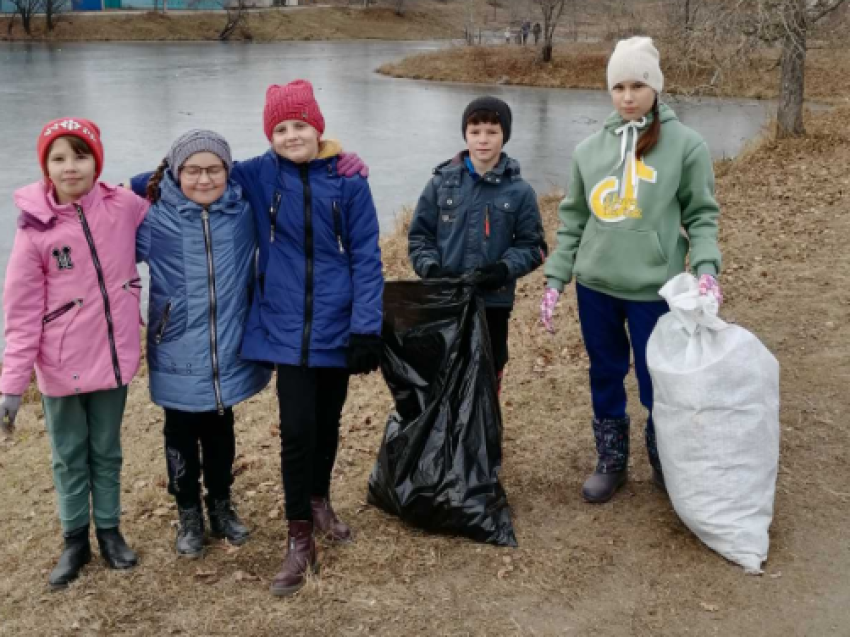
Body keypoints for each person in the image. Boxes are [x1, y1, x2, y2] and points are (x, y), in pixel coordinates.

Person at [539, 37, 723, 504]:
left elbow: (701, 215)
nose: (627, 96)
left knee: (654, 376)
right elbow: (574, 219)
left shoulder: (687, 146)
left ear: (655, 87)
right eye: (618, 86)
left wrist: (705, 269)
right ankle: (611, 460)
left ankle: (666, 457)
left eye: (637, 84)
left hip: (652, 290)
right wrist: (557, 279)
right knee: (605, 371)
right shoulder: (588, 151)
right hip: (596, 286)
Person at [237, 80, 384, 597]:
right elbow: (197, 174)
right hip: (283, 328)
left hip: (337, 323)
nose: (291, 135)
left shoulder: (348, 181)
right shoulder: (256, 174)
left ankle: (320, 500)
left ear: (317, 127)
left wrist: (367, 326)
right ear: (269, 134)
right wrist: (134, 183)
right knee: (297, 430)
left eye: (300, 125)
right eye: (280, 128)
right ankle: (300, 536)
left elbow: (366, 254)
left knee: (327, 421)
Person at [0, 118, 148, 589]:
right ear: (45, 165)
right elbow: (21, 314)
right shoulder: (34, 231)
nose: (70, 167)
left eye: (80, 156)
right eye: (58, 158)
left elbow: (175, 191)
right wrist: (11, 385)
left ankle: (109, 531)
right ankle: (74, 540)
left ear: (96, 161)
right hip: (61, 368)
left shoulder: (122, 205)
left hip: (114, 358)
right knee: (69, 455)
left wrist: (339, 160)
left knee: (107, 451)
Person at [135, 130, 272, 559]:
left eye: (214, 169)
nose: (203, 179)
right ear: (176, 173)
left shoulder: (244, 212)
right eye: (192, 170)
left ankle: (221, 505)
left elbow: (282, 171)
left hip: (227, 345)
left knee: (220, 428)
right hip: (175, 345)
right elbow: (104, 228)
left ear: (228, 172)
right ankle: (188, 512)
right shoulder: (153, 218)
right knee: (179, 432)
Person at [409, 96, 545, 394]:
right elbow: (420, 237)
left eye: (492, 132)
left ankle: (483, 434)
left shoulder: (520, 191)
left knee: (487, 370)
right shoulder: (440, 184)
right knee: (444, 372)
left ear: (504, 135)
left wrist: (503, 269)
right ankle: (447, 436)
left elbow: (534, 247)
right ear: (465, 135)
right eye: (475, 131)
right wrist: (431, 269)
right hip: (445, 300)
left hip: (493, 303)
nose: (483, 140)